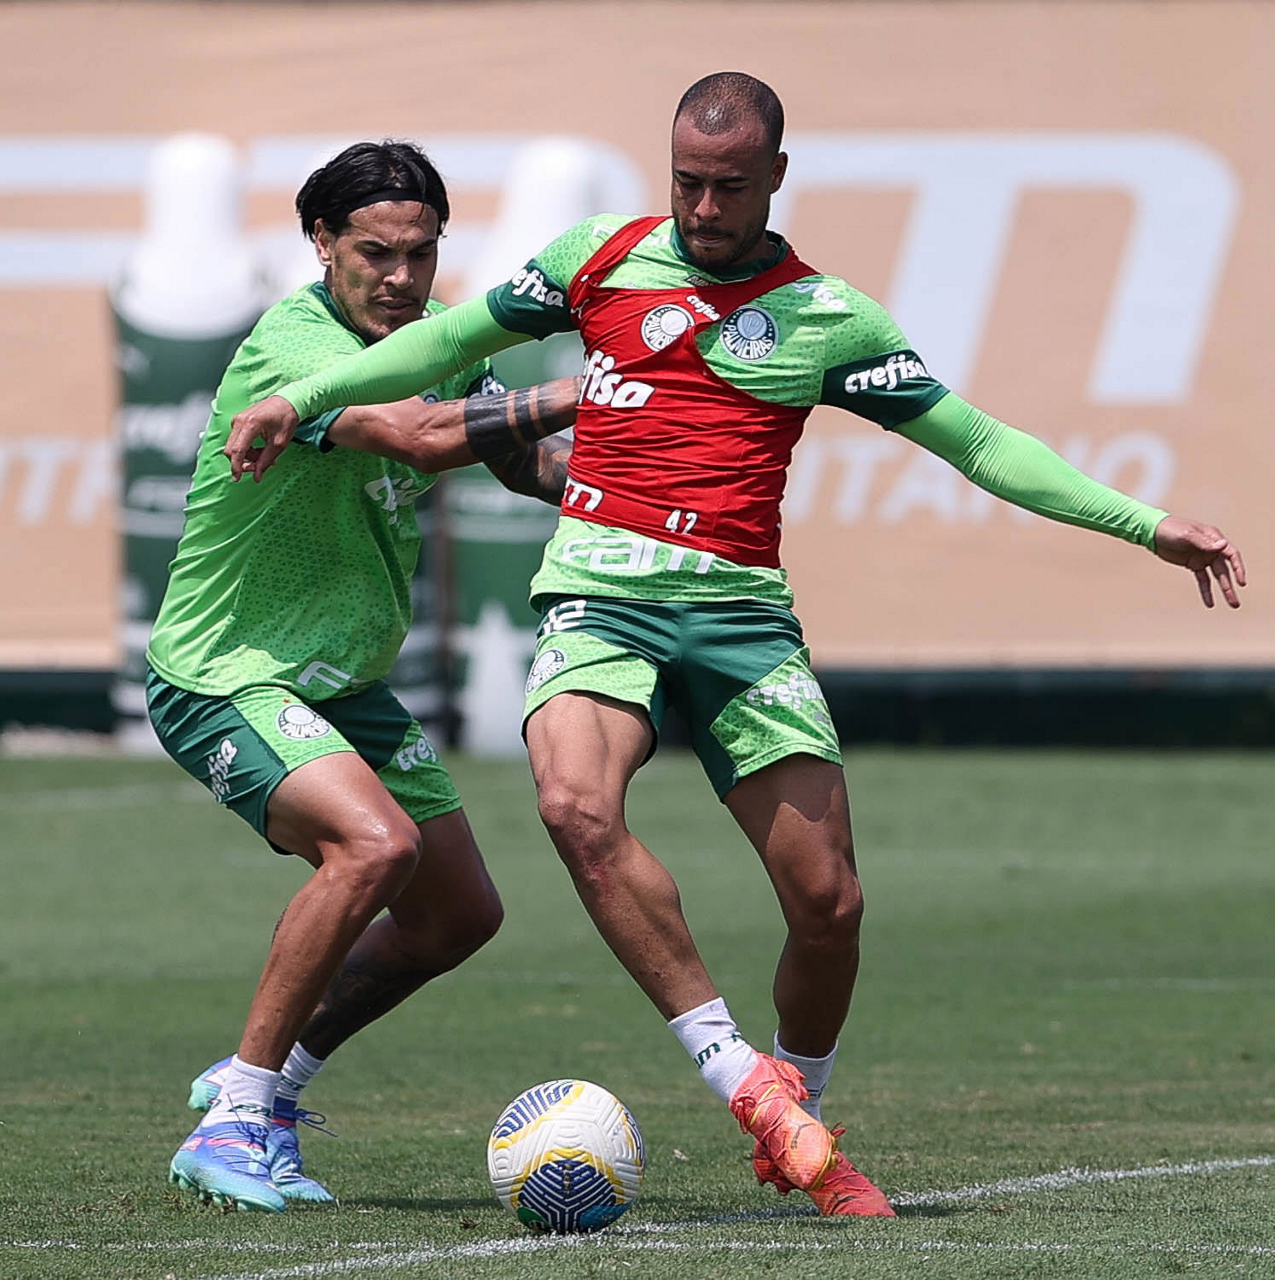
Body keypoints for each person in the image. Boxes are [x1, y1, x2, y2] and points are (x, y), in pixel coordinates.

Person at [226, 77, 1246, 1217]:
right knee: (573, 806)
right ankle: (748, 1091)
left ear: (775, 178)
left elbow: (979, 442)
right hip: (600, 595)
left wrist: (1144, 524)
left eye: (729, 186)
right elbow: (445, 342)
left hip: (740, 617)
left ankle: (800, 1100)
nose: (705, 208)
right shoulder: (597, 260)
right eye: (687, 182)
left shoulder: (828, 317)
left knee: (829, 903)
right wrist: (302, 397)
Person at [146, 140, 577, 1212]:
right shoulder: (294, 346)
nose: (399, 277)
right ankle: (234, 1116)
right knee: (374, 846)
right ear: (323, 245)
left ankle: (270, 1084)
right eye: (374, 253)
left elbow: (524, 461)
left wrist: (663, 473)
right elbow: (420, 438)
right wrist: (592, 385)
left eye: (419, 253)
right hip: (228, 672)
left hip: (339, 683)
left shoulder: (437, 341)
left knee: (457, 914)